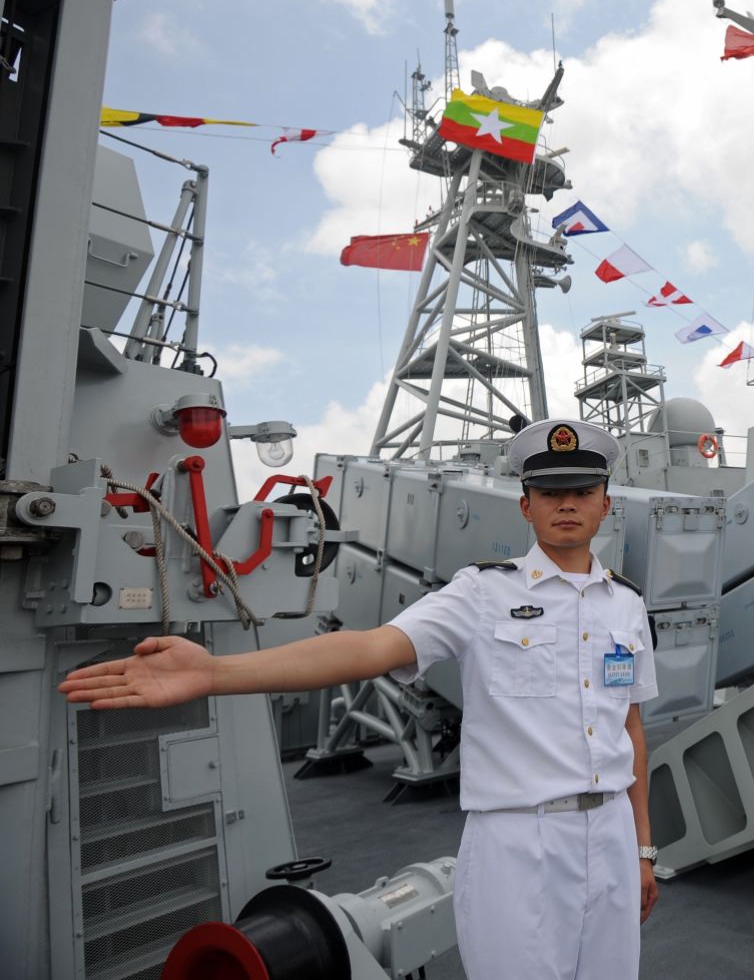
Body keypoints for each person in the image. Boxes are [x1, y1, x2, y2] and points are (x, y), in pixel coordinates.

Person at [60, 418, 660, 979]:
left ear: (606, 503)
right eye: (550, 491)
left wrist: (641, 849)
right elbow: (371, 647)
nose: (568, 504)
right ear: (526, 504)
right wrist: (217, 672)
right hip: (519, 843)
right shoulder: (483, 593)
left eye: (583, 489)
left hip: (609, 836)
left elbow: (627, 731)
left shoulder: (626, 605)